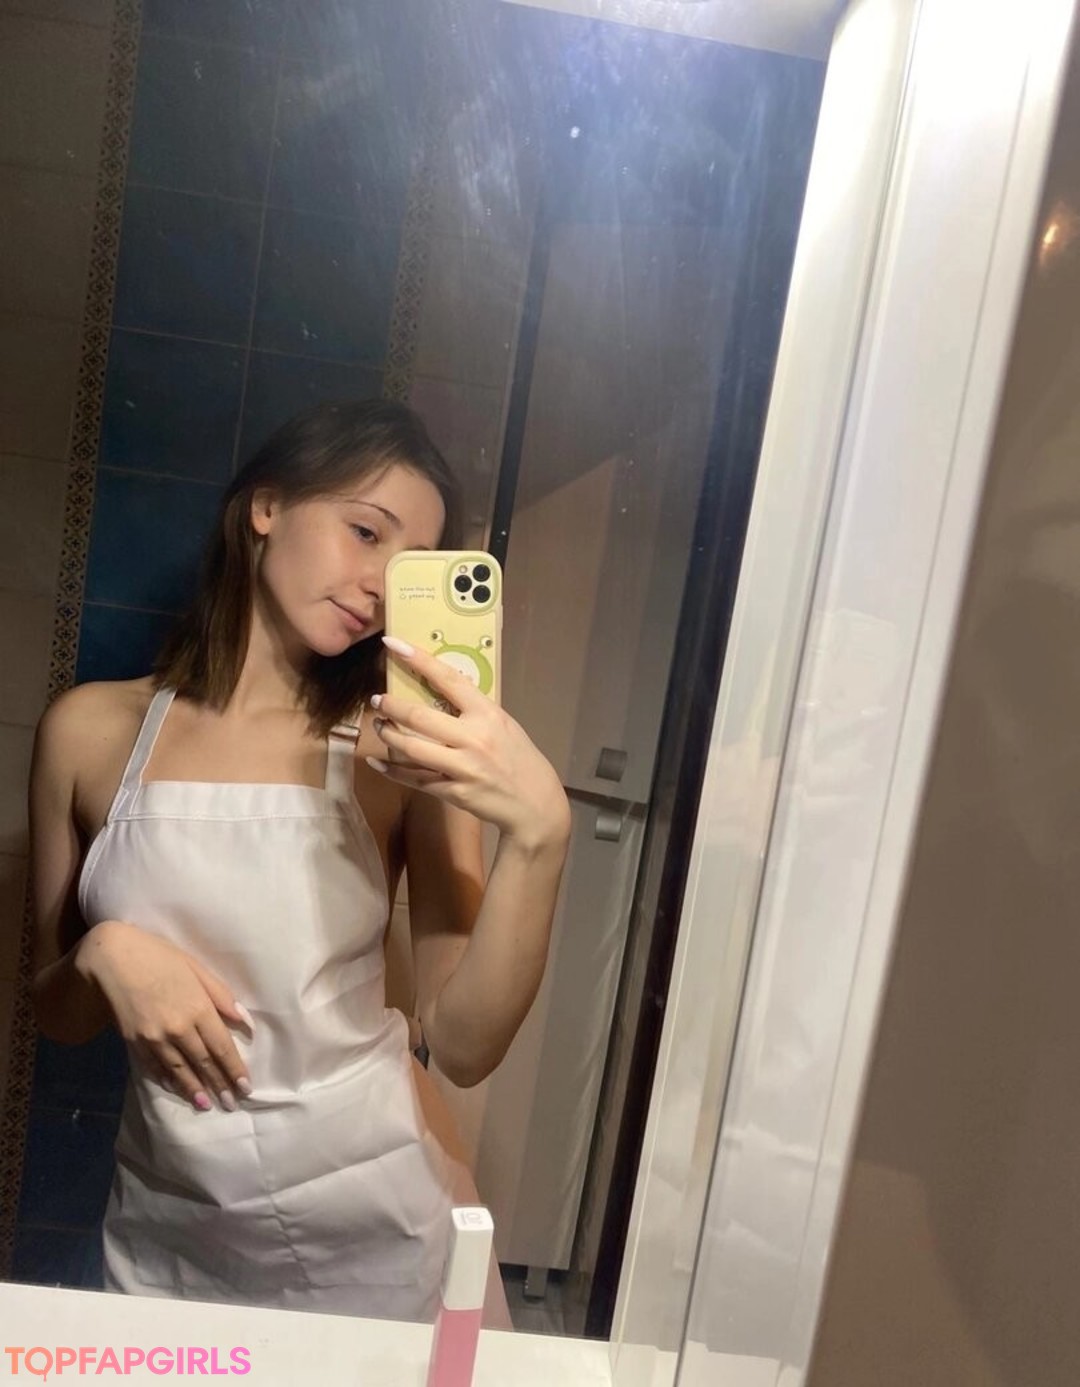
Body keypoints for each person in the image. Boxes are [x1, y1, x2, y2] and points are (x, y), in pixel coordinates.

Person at [27, 400, 571, 1322]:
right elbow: (59, 1016)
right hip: (172, 1236)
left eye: (411, 564)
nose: (380, 584)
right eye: (366, 531)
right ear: (267, 506)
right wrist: (105, 951)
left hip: (380, 1235)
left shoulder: (398, 752)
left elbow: (465, 1044)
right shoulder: (87, 732)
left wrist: (542, 837)